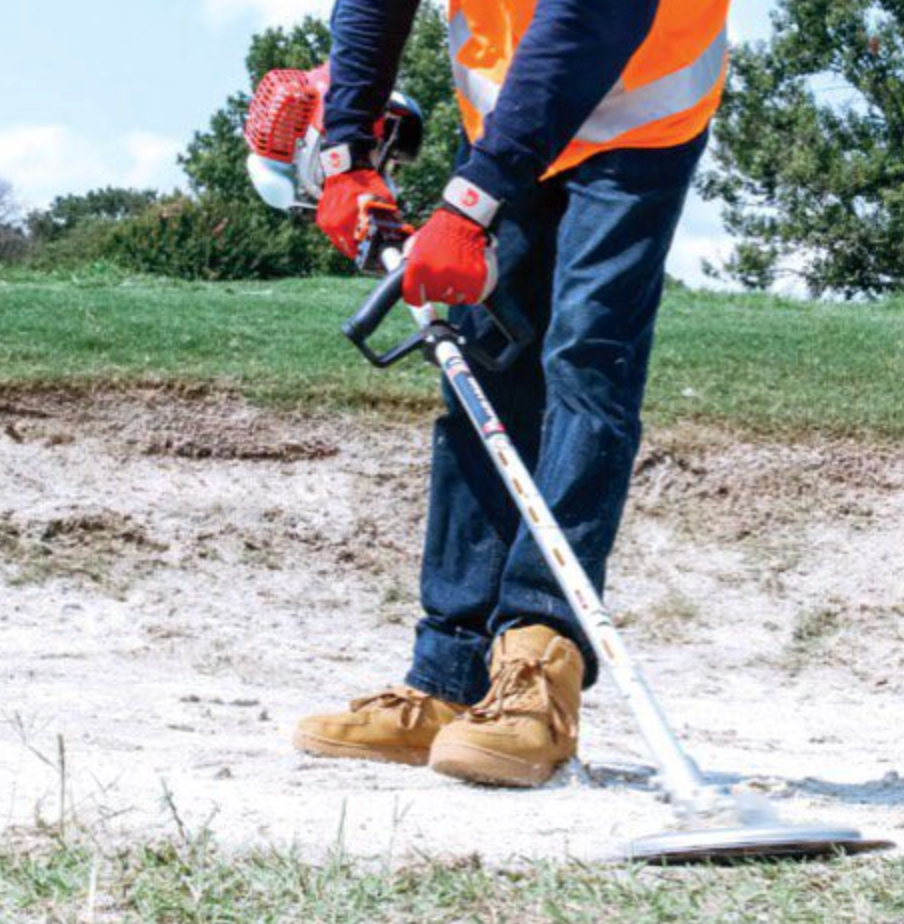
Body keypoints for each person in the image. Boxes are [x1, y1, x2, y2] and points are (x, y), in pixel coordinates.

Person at [296, 0, 730, 787]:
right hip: (508, 105)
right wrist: (346, 146)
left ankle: (539, 666)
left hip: (639, 103)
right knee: (483, 360)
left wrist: (472, 200)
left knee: (586, 360)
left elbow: (592, 18)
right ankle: (450, 675)